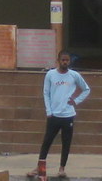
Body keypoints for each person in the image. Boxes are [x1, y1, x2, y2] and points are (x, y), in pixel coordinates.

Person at [28, 50, 91, 179]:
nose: (65, 62)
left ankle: (62, 168)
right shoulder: (50, 75)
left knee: (66, 142)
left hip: (68, 115)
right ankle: (39, 167)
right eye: (63, 60)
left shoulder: (74, 75)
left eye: (67, 60)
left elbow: (86, 89)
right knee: (47, 142)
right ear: (58, 60)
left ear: (70, 61)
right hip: (54, 115)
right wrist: (48, 111)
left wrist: (76, 101)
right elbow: (46, 93)